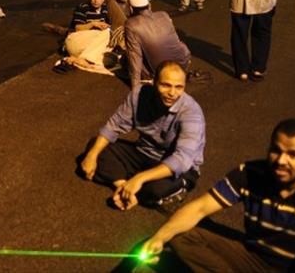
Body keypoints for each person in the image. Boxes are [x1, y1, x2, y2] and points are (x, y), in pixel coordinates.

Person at [142, 119, 295, 272]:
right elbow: (199, 208)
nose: (281, 160)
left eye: (294, 155)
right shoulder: (250, 173)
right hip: (255, 258)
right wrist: (159, 238)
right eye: (276, 150)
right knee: (180, 234)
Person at [80, 61, 205, 210]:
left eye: (179, 87)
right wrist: (92, 155)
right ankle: (124, 187)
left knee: (156, 190)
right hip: (144, 153)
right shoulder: (139, 94)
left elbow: (182, 159)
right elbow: (114, 125)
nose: (172, 93)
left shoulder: (191, 112)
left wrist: (140, 178)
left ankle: (141, 184)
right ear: (154, 82)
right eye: (166, 85)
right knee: (95, 146)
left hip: (178, 166)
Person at [125, 0, 191, 89]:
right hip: (182, 62)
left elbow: (134, 56)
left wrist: (135, 86)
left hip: (162, 71)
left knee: (126, 58)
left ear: (130, 8)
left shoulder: (131, 25)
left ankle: (152, 77)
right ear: (149, 5)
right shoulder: (164, 15)